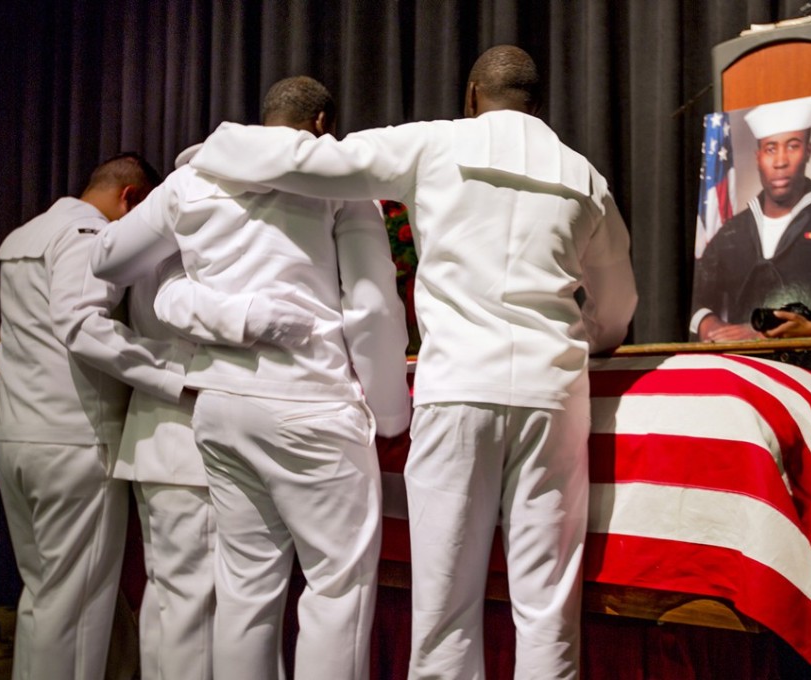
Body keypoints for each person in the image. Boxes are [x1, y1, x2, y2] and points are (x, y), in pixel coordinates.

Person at [188, 45, 638, 679]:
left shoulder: (433, 145)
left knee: (445, 607)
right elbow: (618, 303)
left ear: (472, 97)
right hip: (551, 393)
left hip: (456, 390)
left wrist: (217, 148)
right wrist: (593, 337)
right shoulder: (585, 176)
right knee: (545, 605)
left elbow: (308, 161)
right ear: (539, 106)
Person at [90, 76, 411, 680]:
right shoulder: (338, 184)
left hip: (222, 408)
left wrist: (182, 287)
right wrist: (392, 413)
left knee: (244, 592)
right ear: (320, 126)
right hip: (310, 404)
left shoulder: (192, 179)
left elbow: (106, 257)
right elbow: (370, 307)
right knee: (337, 589)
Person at [117, 147, 318, 680]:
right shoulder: (209, 239)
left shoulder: (157, 230)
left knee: (167, 605)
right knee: (196, 611)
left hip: (156, 439)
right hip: (191, 436)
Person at [0, 153, 193, 680]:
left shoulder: (24, 234)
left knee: (42, 602)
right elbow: (83, 327)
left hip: (18, 435)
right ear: (131, 198)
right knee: (74, 615)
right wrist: (177, 371)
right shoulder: (87, 235)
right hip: (75, 442)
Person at [690, 95, 811, 342]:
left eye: (792, 146)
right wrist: (708, 324)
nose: (780, 161)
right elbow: (696, 294)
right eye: (771, 149)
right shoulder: (733, 231)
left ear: (808, 151)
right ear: (758, 157)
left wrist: (765, 333)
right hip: (745, 367)